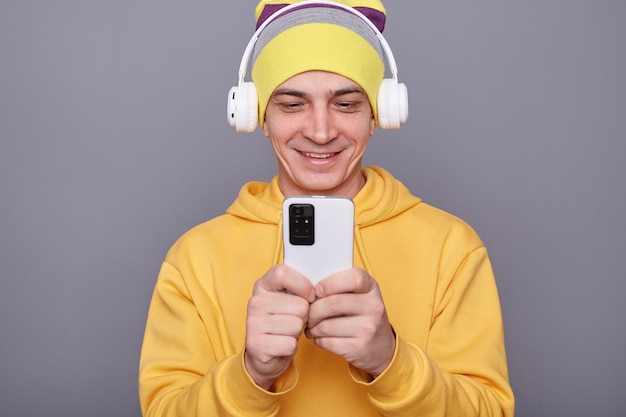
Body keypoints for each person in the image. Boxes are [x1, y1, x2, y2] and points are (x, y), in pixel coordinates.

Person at [138, 0, 515, 416]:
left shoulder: (451, 247)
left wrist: (391, 361)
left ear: (378, 114)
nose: (320, 132)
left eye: (347, 104)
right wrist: (249, 375)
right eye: (292, 104)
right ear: (258, 116)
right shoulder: (194, 257)